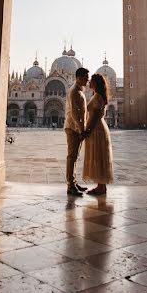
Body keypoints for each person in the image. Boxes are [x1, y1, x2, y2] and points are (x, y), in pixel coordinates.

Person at [82, 73, 113, 195]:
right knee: (100, 156)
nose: (89, 82)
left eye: (91, 81)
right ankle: (101, 186)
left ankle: (100, 187)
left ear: (96, 83)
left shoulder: (97, 97)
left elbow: (94, 117)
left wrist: (88, 130)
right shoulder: (99, 96)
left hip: (96, 129)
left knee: (98, 157)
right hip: (100, 128)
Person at [64, 67, 89, 196]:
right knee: (72, 157)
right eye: (86, 77)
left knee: (75, 157)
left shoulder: (78, 90)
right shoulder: (74, 91)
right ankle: (70, 185)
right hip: (73, 128)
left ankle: (73, 182)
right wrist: (81, 130)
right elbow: (75, 113)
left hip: (75, 128)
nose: (88, 80)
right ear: (79, 77)